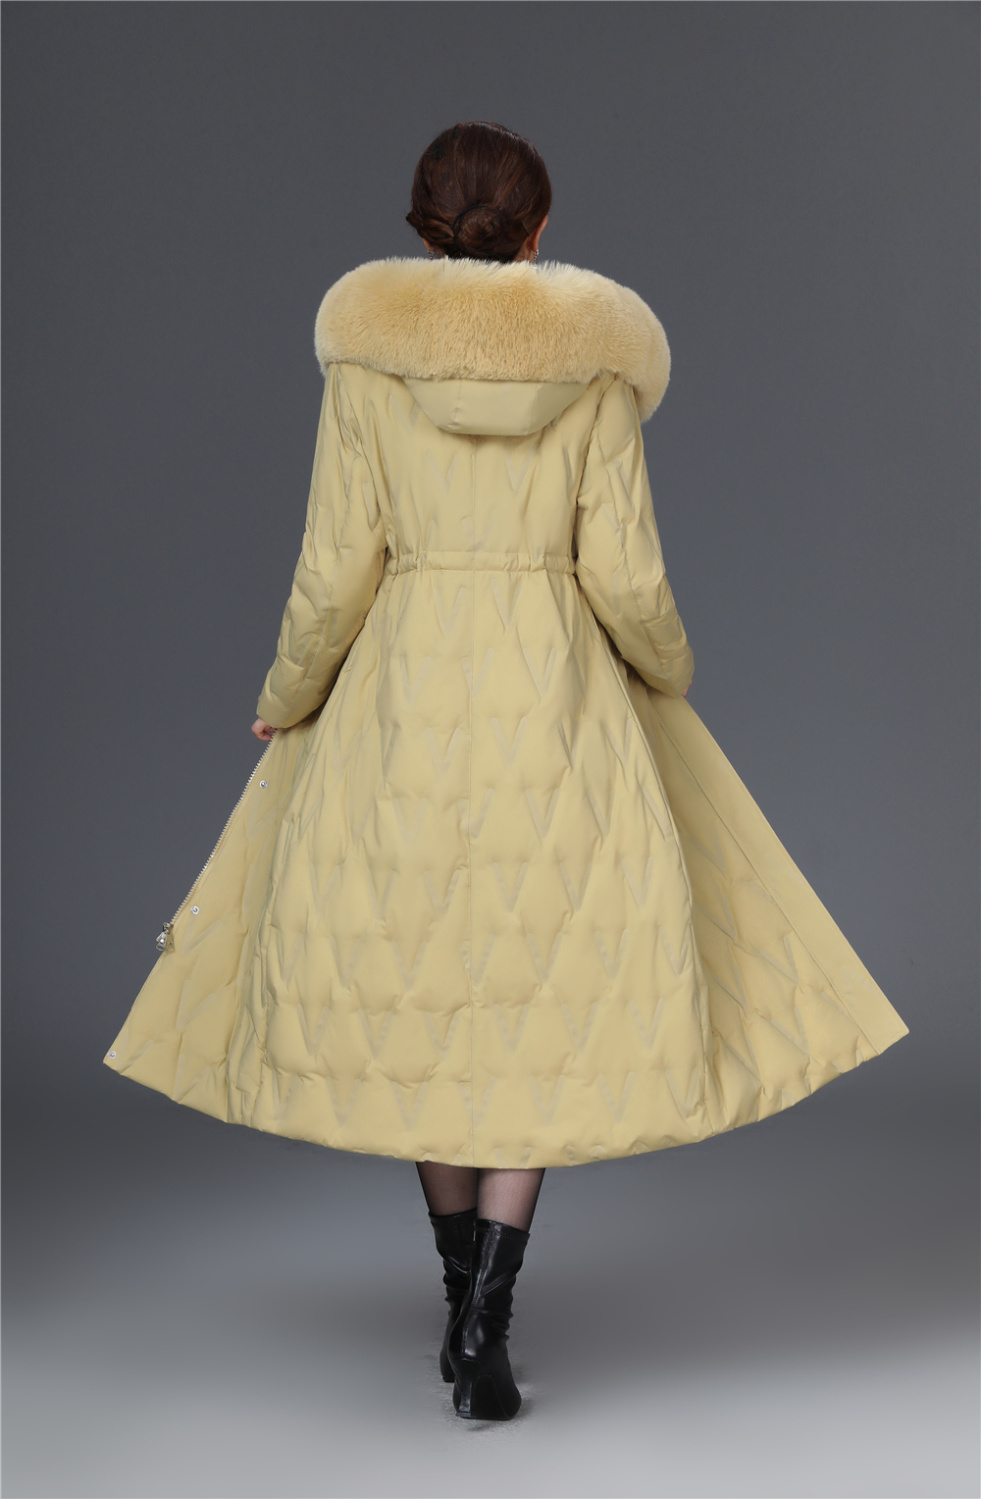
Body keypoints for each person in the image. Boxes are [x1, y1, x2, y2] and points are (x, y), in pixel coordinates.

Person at [105, 120, 909, 1423]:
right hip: (556, 704)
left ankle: (456, 1306)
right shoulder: (593, 374)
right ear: (536, 233)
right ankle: (488, 1322)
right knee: (540, 997)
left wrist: (285, 698)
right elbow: (627, 578)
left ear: (422, 227)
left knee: (430, 991)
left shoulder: (367, 368)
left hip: (401, 704)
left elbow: (333, 570)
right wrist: (665, 672)